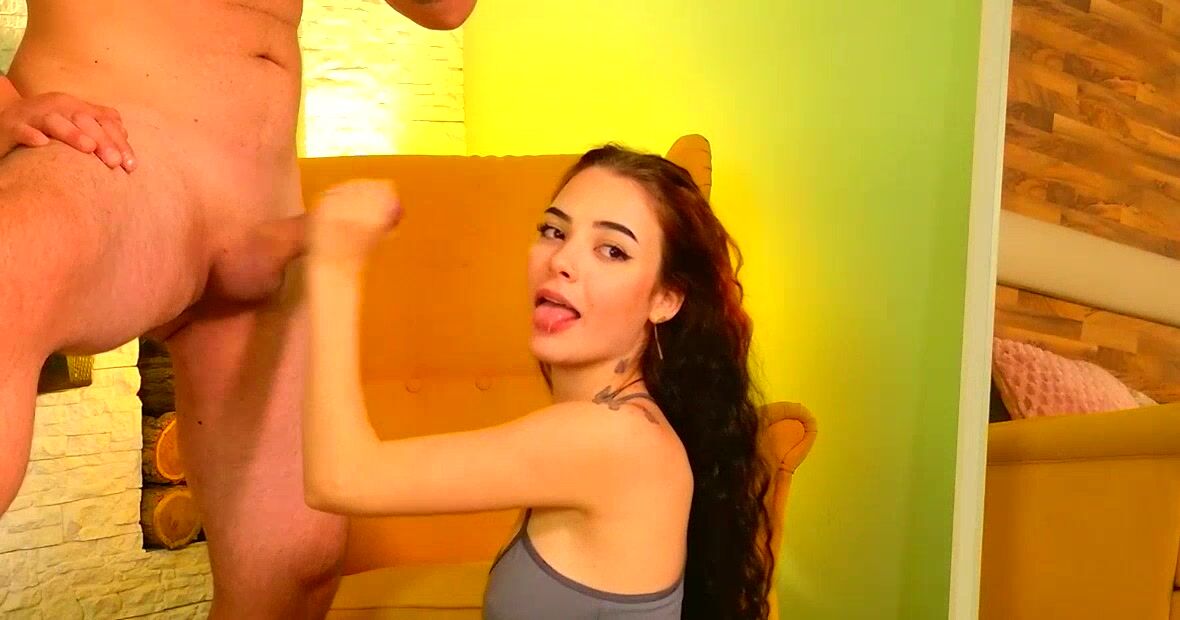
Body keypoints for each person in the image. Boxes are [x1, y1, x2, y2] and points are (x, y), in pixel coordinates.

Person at [0, 1, 476, 617]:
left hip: (263, 205)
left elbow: (445, 10)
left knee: (295, 569)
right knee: (11, 276)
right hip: (111, 150)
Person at [303, 145, 775, 619]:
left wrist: (334, 264)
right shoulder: (613, 426)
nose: (562, 259)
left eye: (612, 250)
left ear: (666, 299)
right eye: (554, 231)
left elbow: (342, 480)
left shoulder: (614, 438)